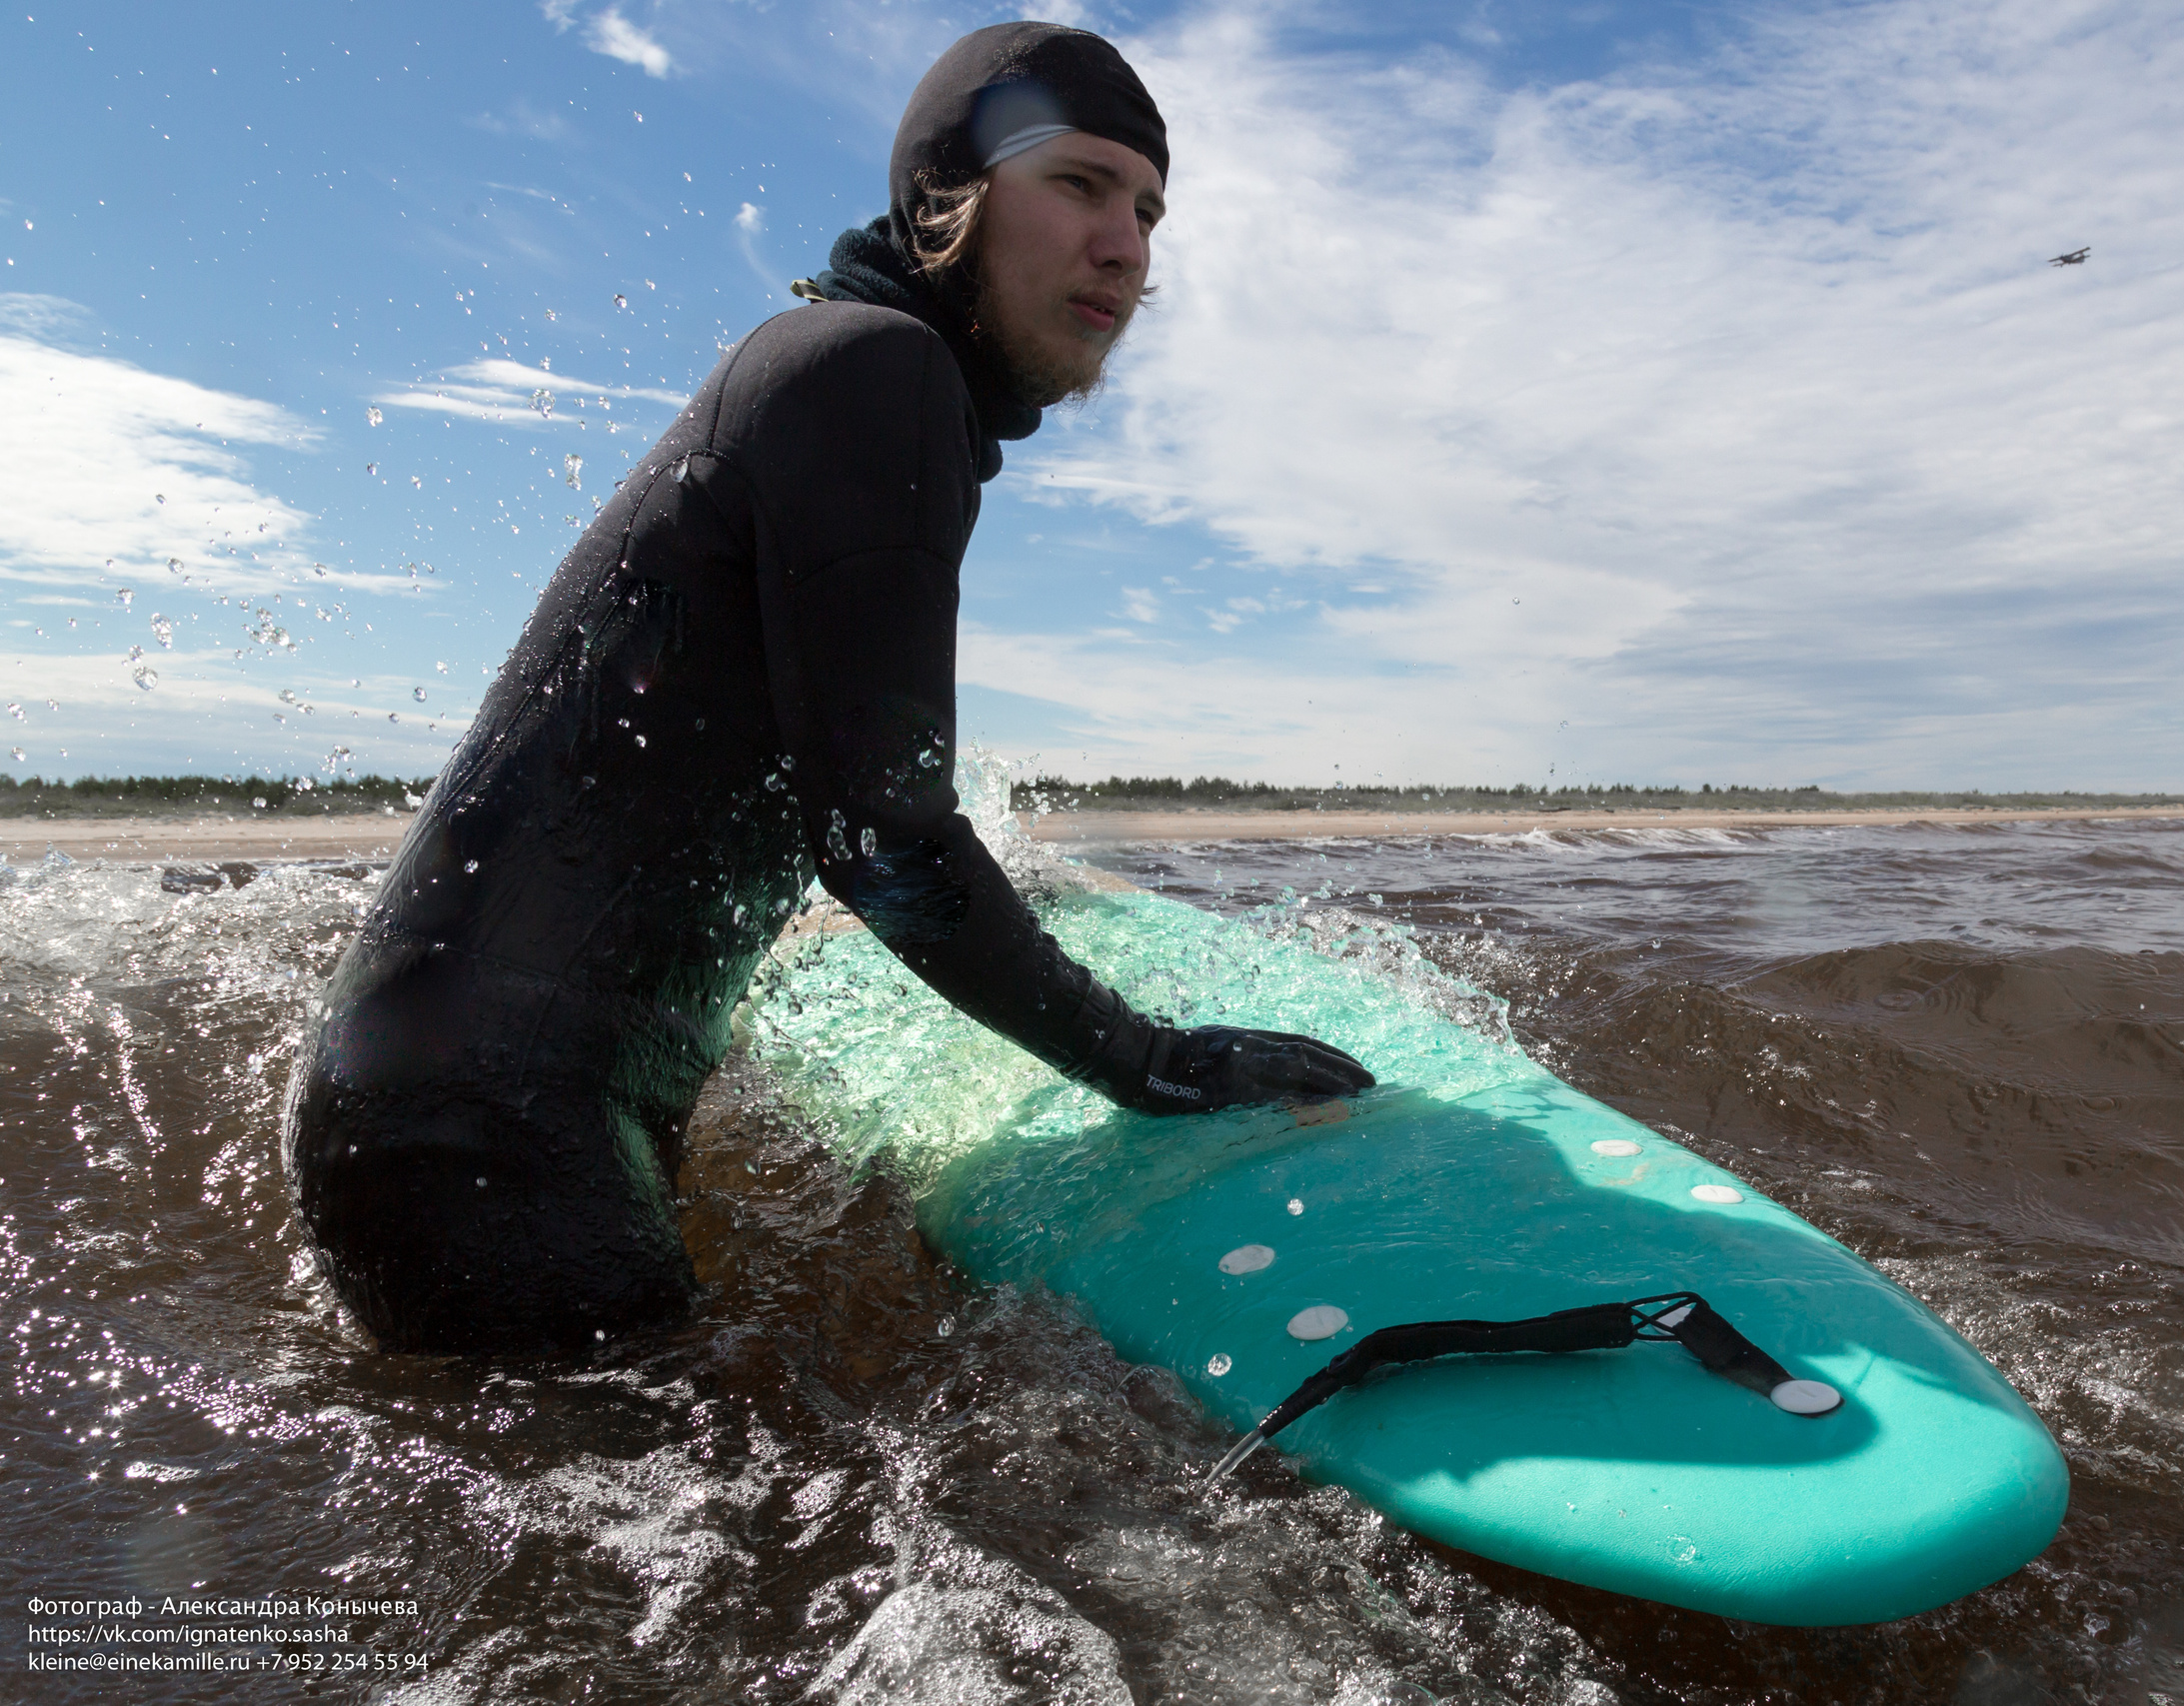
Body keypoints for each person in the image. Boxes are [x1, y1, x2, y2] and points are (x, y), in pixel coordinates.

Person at [283, 22, 1374, 1356]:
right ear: (941, 203)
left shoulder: (834, 371)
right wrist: (1148, 1062)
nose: (1129, 245)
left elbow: (759, 795)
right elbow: (889, 841)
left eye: (1148, 209)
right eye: (1079, 185)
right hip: (490, 1149)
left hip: (440, 1120)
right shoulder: (876, 369)